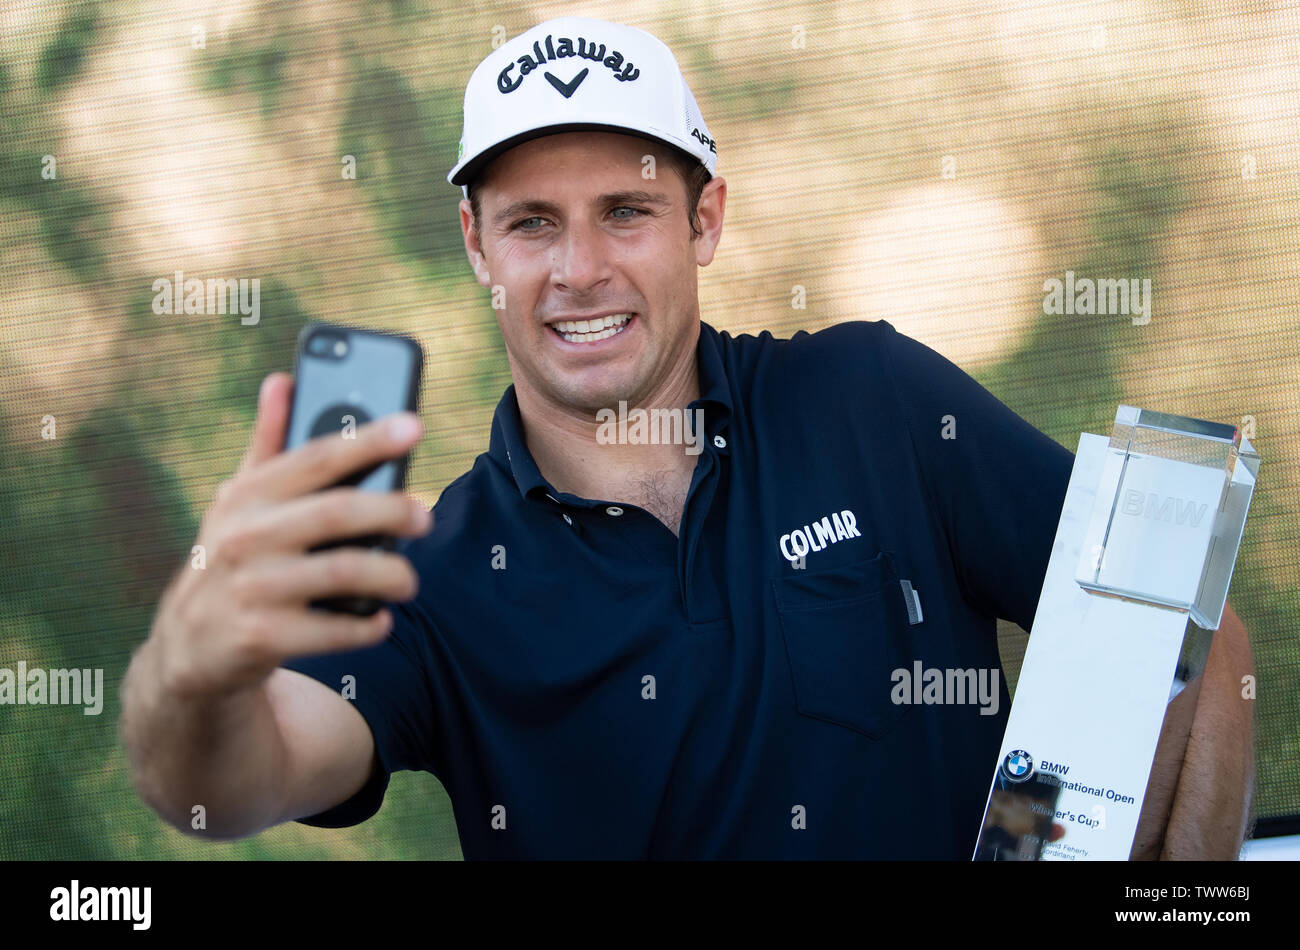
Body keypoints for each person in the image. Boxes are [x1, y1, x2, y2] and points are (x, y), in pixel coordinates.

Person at [121, 15, 1254, 859]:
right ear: (475, 244)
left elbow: (1191, 630)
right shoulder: (427, 573)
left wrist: (1042, 841)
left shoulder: (873, 398)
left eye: (626, 208)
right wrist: (190, 663)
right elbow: (221, 785)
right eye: (531, 222)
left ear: (703, 218)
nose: (579, 270)